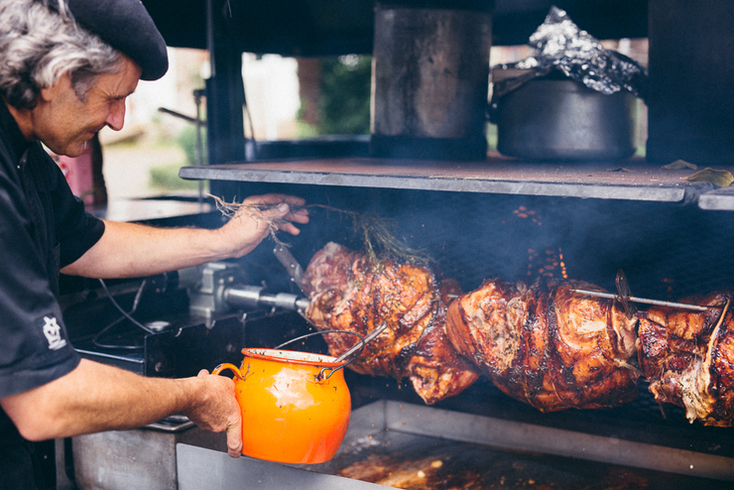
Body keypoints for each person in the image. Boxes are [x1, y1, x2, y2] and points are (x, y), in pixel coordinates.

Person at [0, 1, 309, 488]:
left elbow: (87, 244)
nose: (119, 121)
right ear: (57, 80)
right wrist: (193, 394)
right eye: (112, 98)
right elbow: (46, 399)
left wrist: (225, 242)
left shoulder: (21, 152)